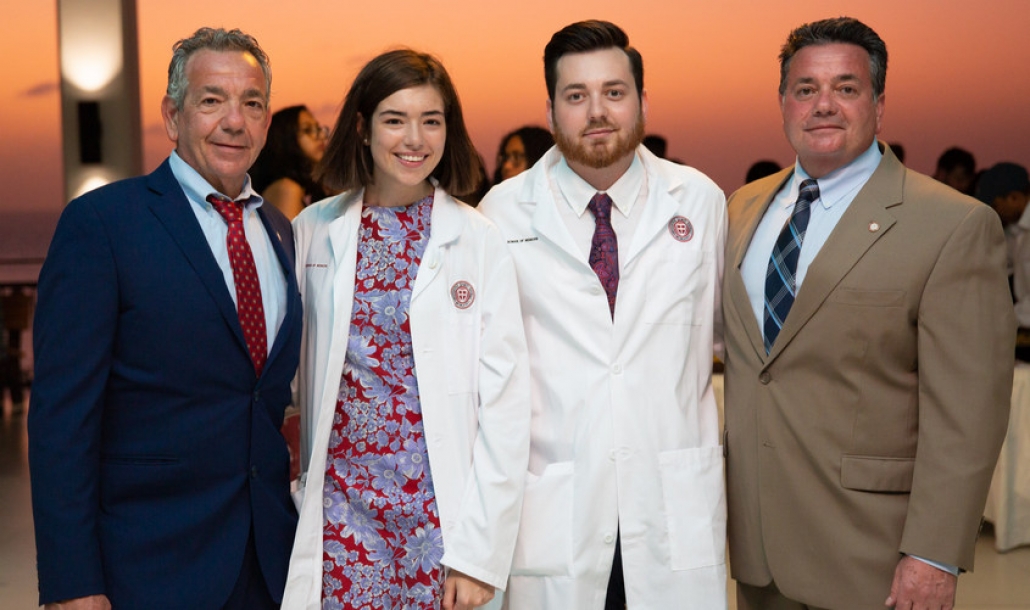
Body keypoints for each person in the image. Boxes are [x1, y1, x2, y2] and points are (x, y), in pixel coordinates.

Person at [722, 17, 1014, 610]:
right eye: (806, 89)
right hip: (756, 552)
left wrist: (933, 554)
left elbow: (968, 411)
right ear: (783, 103)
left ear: (879, 105)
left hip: (872, 557)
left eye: (846, 88)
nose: (823, 104)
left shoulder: (952, 224)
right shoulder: (741, 207)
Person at [29, 27, 302, 610]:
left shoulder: (281, 232)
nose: (235, 121)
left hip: (269, 566)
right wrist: (73, 583)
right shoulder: (103, 225)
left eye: (251, 104)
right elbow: (61, 423)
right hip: (149, 568)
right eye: (212, 100)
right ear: (173, 115)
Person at [479, 20, 728, 609]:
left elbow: (729, 342)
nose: (597, 111)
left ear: (642, 102)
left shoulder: (699, 202)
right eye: (576, 96)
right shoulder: (503, 213)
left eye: (614, 92)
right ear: (550, 110)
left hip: (670, 501)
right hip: (554, 509)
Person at [281, 49, 530, 610]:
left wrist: (478, 556)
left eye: (432, 120)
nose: (414, 138)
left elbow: (507, 408)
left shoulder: (477, 238)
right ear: (363, 129)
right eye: (395, 119)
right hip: (341, 519)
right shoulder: (314, 232)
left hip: (440, 525)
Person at [250, 104, 331, 220]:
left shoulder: (301, 188)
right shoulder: (287, 189)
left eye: (318, 129)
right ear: (285, 140)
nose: (320, 136)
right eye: (307, 130)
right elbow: (287, 238)